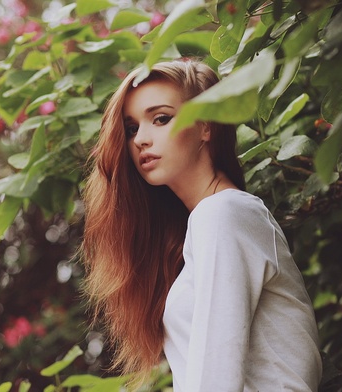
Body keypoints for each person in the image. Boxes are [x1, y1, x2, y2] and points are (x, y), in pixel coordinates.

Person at [81, 59, 322, 391]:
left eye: (161, 118)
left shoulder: (223, 213)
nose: (140, 140)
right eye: (132, 128)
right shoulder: (209, 221)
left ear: (206, 125)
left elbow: (216, 377)